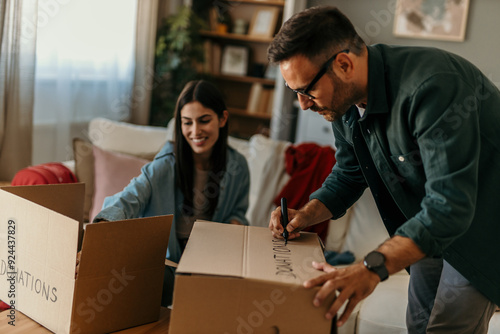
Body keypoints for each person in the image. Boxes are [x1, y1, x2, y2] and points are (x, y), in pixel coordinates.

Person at [267, 6, 499, 333]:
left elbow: (451, 206)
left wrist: (370, 267)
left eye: (306, 91)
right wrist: (305, 214)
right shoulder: (343, 104)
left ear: (344, 64)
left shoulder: (433, 88)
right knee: (418, 325)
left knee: (445, 329)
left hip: (483, 225)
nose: (303, 104)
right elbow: (350, 173)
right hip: (426, 221)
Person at [93, 80, 250, 305]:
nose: (195, 131)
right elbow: (129, 199)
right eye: (187, 123)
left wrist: (234, 226)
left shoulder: (238, 166)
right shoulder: (165, 164)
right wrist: (99, 236)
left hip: (211, 261)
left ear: (222, 119)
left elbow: (239, 211)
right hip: (167, 264)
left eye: (204, 120)